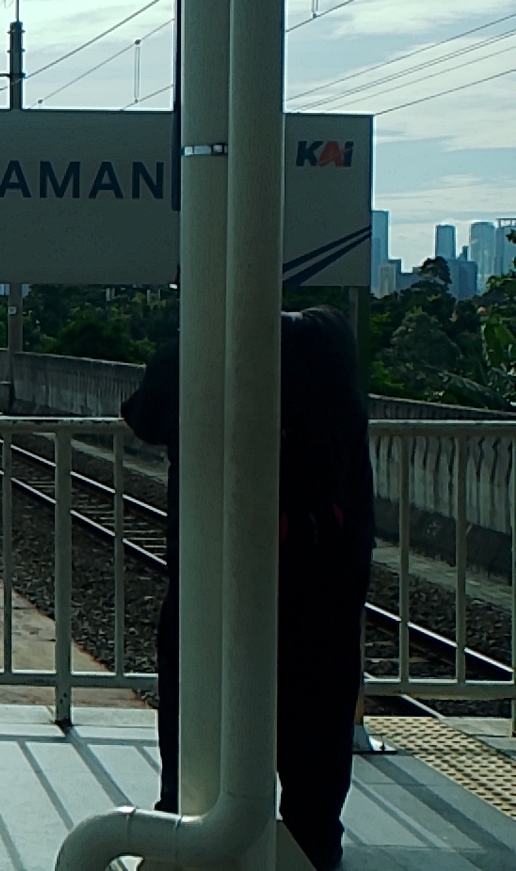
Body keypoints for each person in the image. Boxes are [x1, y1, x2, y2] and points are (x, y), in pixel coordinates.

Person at [121, 306, 374, 871]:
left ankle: (184, 834)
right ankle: (313, 852)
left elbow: (143, 414)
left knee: (196, 737)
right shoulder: (332, 342)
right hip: (327, 593)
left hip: (216, 592)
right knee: (316, 753)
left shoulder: (202, 349)